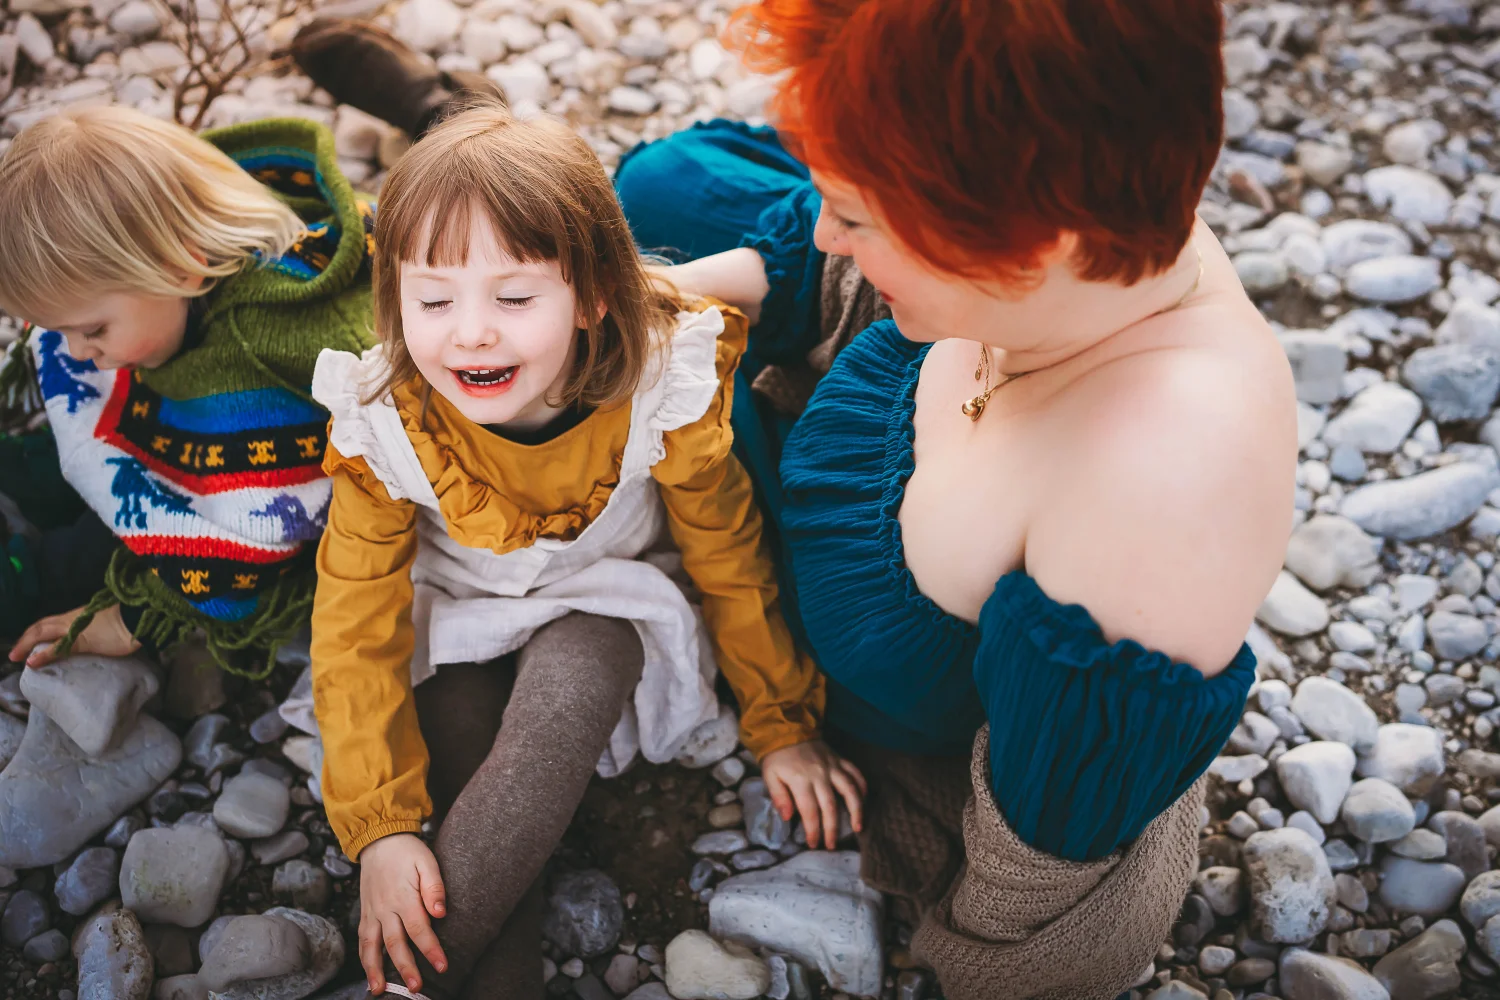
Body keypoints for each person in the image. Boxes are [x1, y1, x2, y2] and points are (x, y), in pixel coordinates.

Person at [608, 2, 1298, 998]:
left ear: (1023, 246)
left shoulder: (1155, 496)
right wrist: (650, 308)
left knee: (604, 292)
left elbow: (1037, 876)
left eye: (857, 216)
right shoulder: (1078, 242)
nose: (825, 232)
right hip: (862, 384)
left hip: (831, 635)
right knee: (657, 187)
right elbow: (831, 278)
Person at [302, 104, 865, 1000]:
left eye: (515, 297)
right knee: (451, 763)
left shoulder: (660, 373)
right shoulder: (385, 423)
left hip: (608, 597)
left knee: (578, 677)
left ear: (595, 292)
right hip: (452, 617)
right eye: (433, 298)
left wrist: (781, 725)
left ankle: (416, 987)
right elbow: (354, 622)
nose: (471, 331)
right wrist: (379, 830)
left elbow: (727, 550)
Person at [0, 104, 379, 675]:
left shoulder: (261, 351)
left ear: (183, 267)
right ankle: (49, 471)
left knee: (91, 556)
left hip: (309, 509)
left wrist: (133, 617)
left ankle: (32, 568)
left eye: (92, 330)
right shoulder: (177, 253)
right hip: (185, 409)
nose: (77, 352)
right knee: (97, 405)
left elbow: (257, 536)